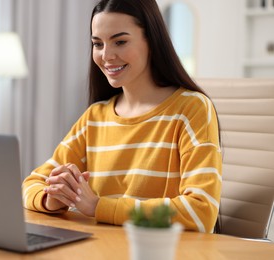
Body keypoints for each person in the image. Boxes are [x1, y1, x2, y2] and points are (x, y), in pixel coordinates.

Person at [22, 0, 222, 233]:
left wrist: (98, 206)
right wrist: (53, 198)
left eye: (120, 41)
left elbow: (201, 211)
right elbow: (30, 184)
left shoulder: (192, 109)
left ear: (152, 41)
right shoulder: (95, 117)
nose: (106, 55)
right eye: (97, 44)